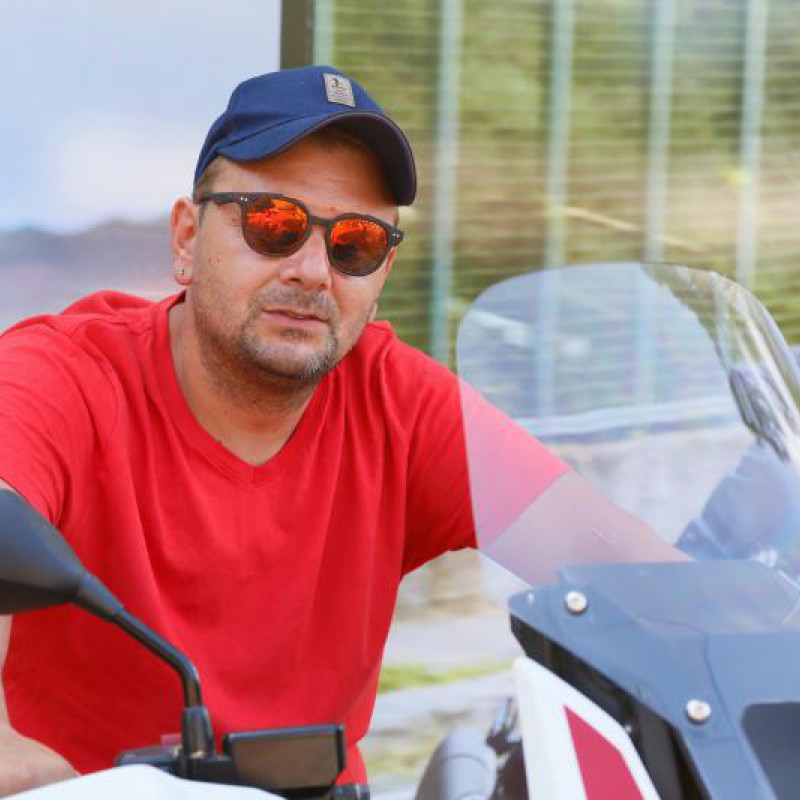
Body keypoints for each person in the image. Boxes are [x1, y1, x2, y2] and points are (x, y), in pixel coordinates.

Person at [0, 65, 571, 795]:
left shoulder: (399, 402)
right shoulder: (62, 375)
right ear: (187, 238)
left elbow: (622, 571)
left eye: (355, 243)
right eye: (273, 223)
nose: (312, 271)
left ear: (381, 273)